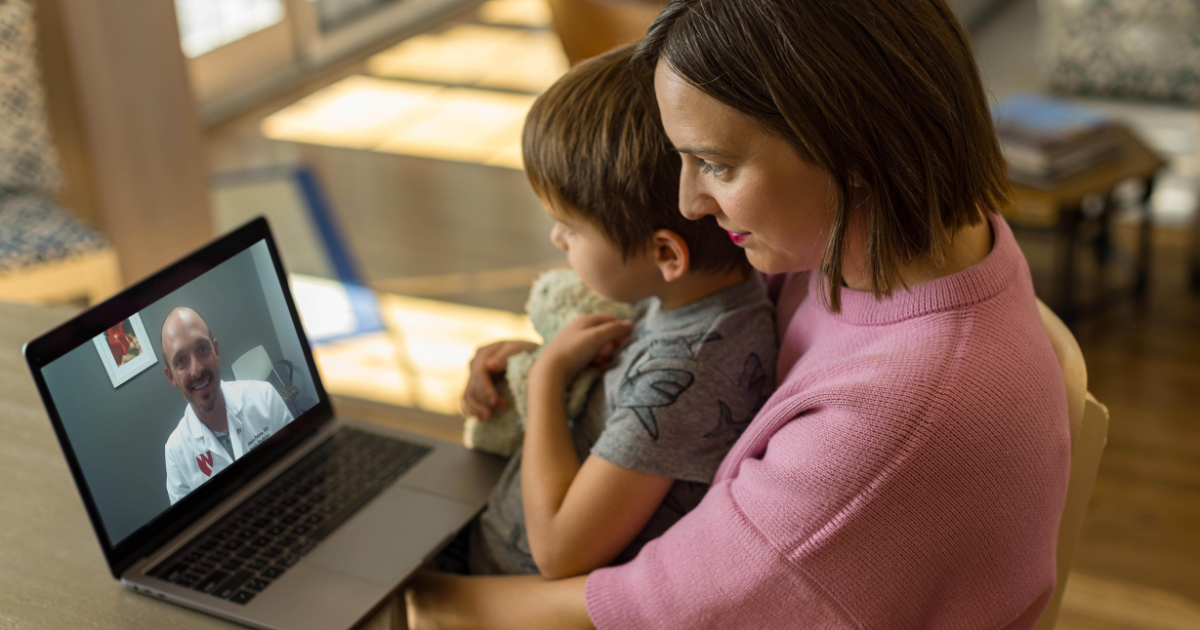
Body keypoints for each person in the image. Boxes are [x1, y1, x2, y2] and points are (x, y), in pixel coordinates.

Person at [404, 0, 1071, 628]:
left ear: (852, 149)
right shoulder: (913, 237)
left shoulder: (891, 417)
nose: (689, 202)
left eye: (715, 165)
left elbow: (653, 605)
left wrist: (417, 594)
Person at [450, 43, 777, 580]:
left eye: (571, 228)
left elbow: (559, 551)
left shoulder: (693, 369)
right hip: (491, 539)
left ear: (666, 254)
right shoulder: (693, 307)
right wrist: (538, 360)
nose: (557, 238)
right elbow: (632, 391)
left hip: (507, 589)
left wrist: (547, 381)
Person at [162, 307, 294, 504]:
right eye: (181, 361)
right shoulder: (175, 452)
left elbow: (300, 462)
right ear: (171, 376)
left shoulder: (265, 397)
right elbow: (190, 525)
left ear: (216, 351)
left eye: (202, 349)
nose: (197, 370)